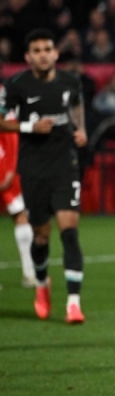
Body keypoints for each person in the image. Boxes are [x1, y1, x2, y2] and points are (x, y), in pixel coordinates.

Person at [0, 28, 87, 324]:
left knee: (69, 231)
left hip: (65, 165)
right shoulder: (16, 85)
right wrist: (28, 127)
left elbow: (76, 106)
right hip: (33, 168)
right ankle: (41, 283)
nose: (43, 55)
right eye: (36, 51)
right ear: (28, 57)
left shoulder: (70, 81)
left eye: (47, 49)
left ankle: (73, 303)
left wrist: (81, 129)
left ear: (55, 53)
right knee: (40, 236)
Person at [0, 116, 36, 287]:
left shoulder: (4, 103)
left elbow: (11, 131)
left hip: (3, 163)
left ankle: (29, 273)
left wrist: (10, 167)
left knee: (19, 213)